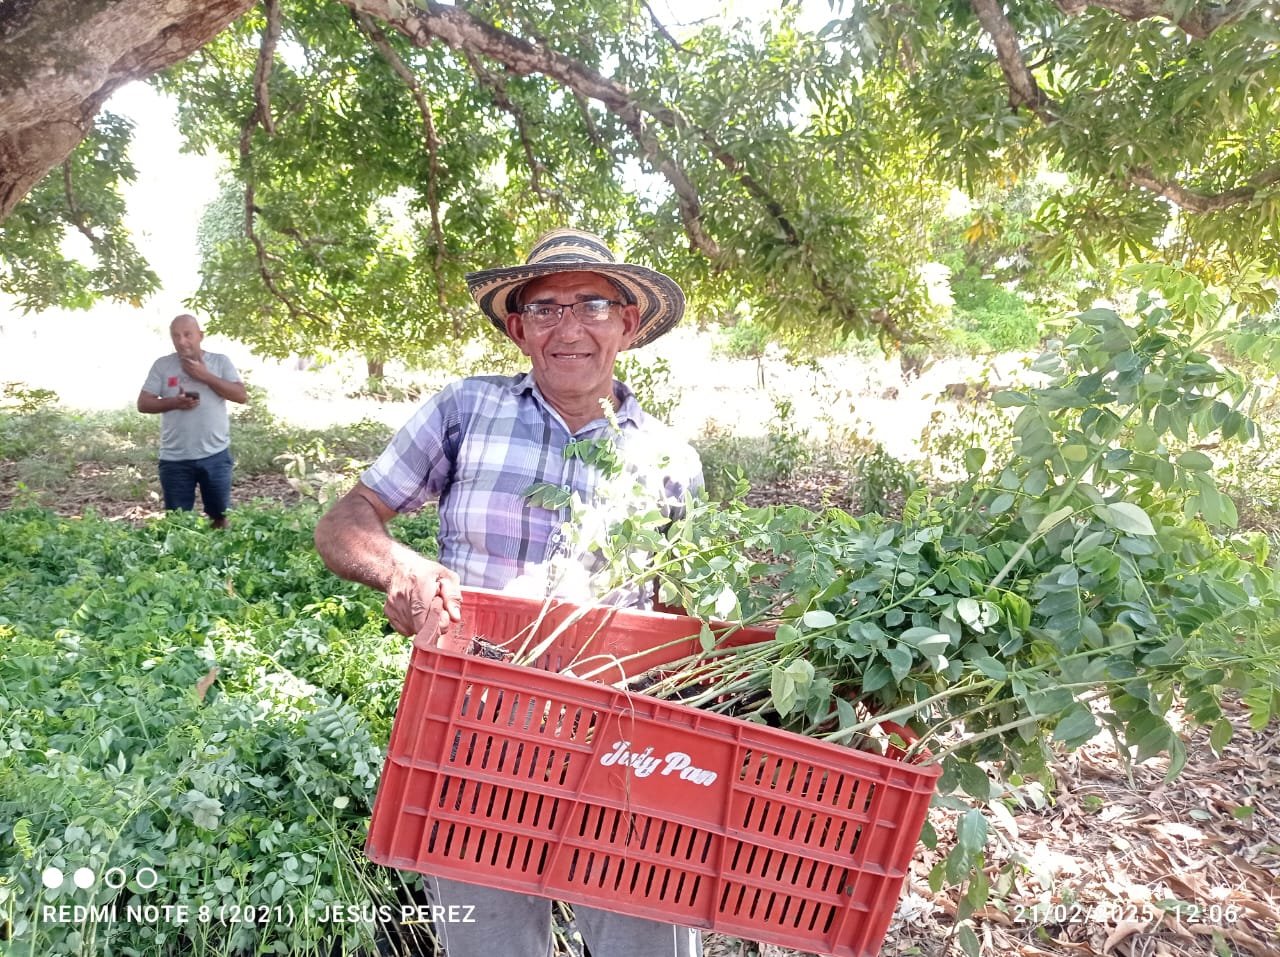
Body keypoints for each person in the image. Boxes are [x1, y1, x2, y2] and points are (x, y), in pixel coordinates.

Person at [314, 227, 703, 957]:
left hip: (620, 750)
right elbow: (345, 519)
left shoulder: (670, 459)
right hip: (474, 735)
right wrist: (402, 569)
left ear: (627, 321)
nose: (570, 326)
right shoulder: (465, 409)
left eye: (592, 303)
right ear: (519, 329)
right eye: (546, 307)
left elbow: (683, 622)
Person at [137, 314, 248, 528]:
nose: (182, 341)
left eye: (188, 335)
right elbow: (143, 403)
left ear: (200, 336)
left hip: (215, 454)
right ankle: (182, 558)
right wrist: (174, 403)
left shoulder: (219, 362)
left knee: (220, 516)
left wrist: (204, 375)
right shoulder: (162, 366)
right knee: (178, 521)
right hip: (175, 458)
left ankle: (219, 558)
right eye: (176, 336)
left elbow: (241, 396)